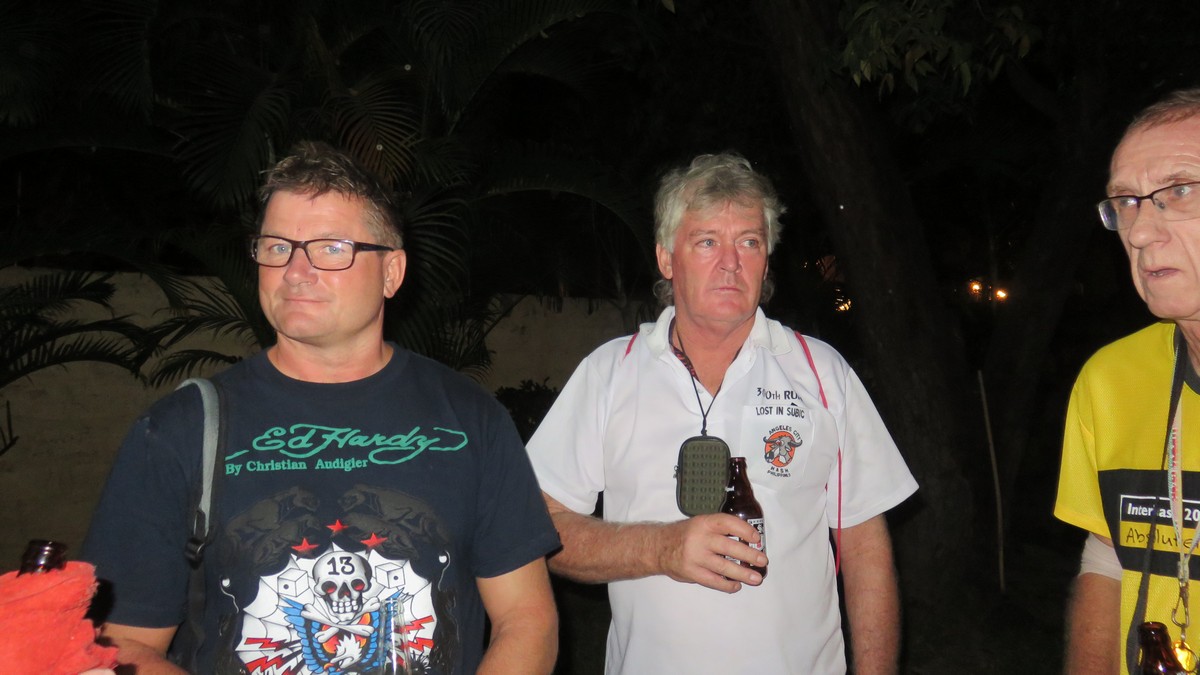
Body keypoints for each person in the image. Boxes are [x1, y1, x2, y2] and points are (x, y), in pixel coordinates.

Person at [81, 141, 560, 674]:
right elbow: (121, 644)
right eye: (277, 246)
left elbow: (526, 620)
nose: (295, 271)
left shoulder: (469, 419)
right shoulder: (182, 429)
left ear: (392, 272)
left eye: (331, 248)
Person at [525, 152, 918, 674]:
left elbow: (865, 546)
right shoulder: (609, 373)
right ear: (667, 259)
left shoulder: (821, 372)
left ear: (767, 260)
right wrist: (661, 548)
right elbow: (538, 530)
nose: (731, 263)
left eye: (749, 242)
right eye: (707, 241)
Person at [1055, 87, 1200, 675]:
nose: (1139, 233)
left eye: (1180, 190)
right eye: (1127, 202)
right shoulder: (1109, 380)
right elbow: (1107, 557)